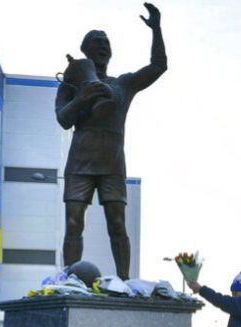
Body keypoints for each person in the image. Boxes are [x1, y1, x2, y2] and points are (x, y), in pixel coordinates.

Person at [54, 2, 166, 278]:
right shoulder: (74, 80)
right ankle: (70, 279)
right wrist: (82, 97)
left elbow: (158, 66)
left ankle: (124, 282)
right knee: (73, 223)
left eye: (106, 42)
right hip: (80, 160)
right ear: (86, 50)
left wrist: (156, 29)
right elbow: (63, 118)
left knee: (117, 224)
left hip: (113, 163)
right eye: (96, 41)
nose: (103, 45)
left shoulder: (123, 84)